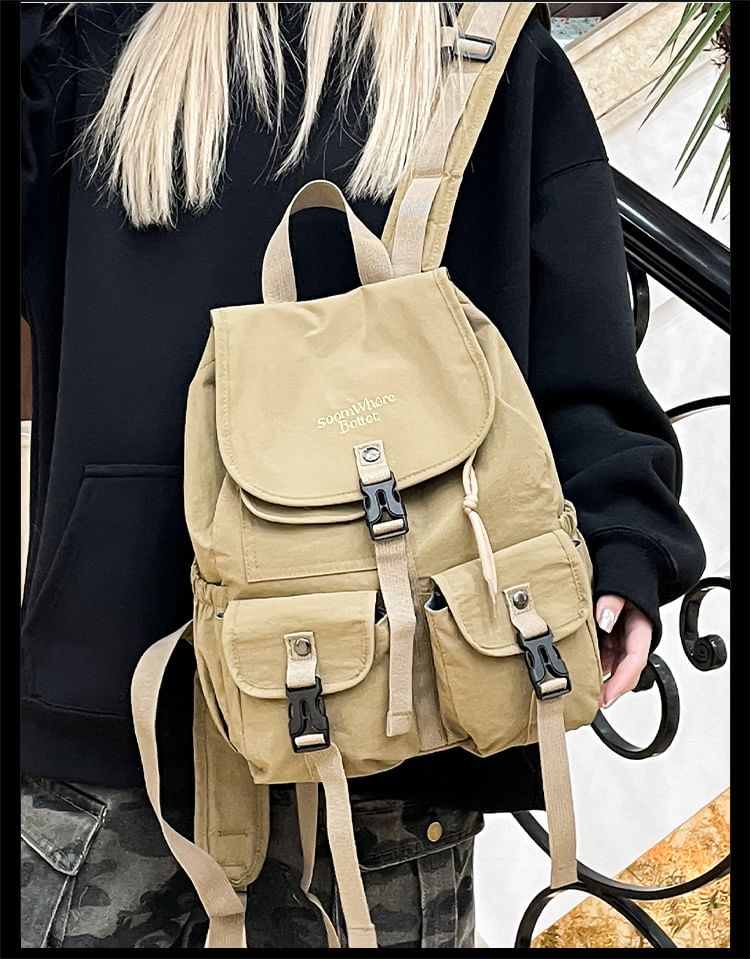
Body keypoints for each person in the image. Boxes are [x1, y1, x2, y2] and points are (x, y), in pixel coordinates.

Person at [20, 2, 706, 949]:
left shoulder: (491, 46)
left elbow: (576, 349)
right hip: (137, 724)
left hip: (391, 714)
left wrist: (625, 541)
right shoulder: (88, 36)